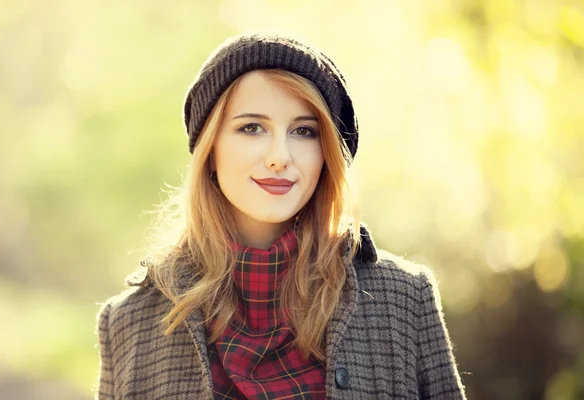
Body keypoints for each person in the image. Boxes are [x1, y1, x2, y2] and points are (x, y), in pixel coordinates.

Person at [95, 33, 467, 400]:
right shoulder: (129, 323)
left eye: (304, 131)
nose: (280, 156)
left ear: (326, 156)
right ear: (210, 149)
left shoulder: (404, 300)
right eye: (251, 128)